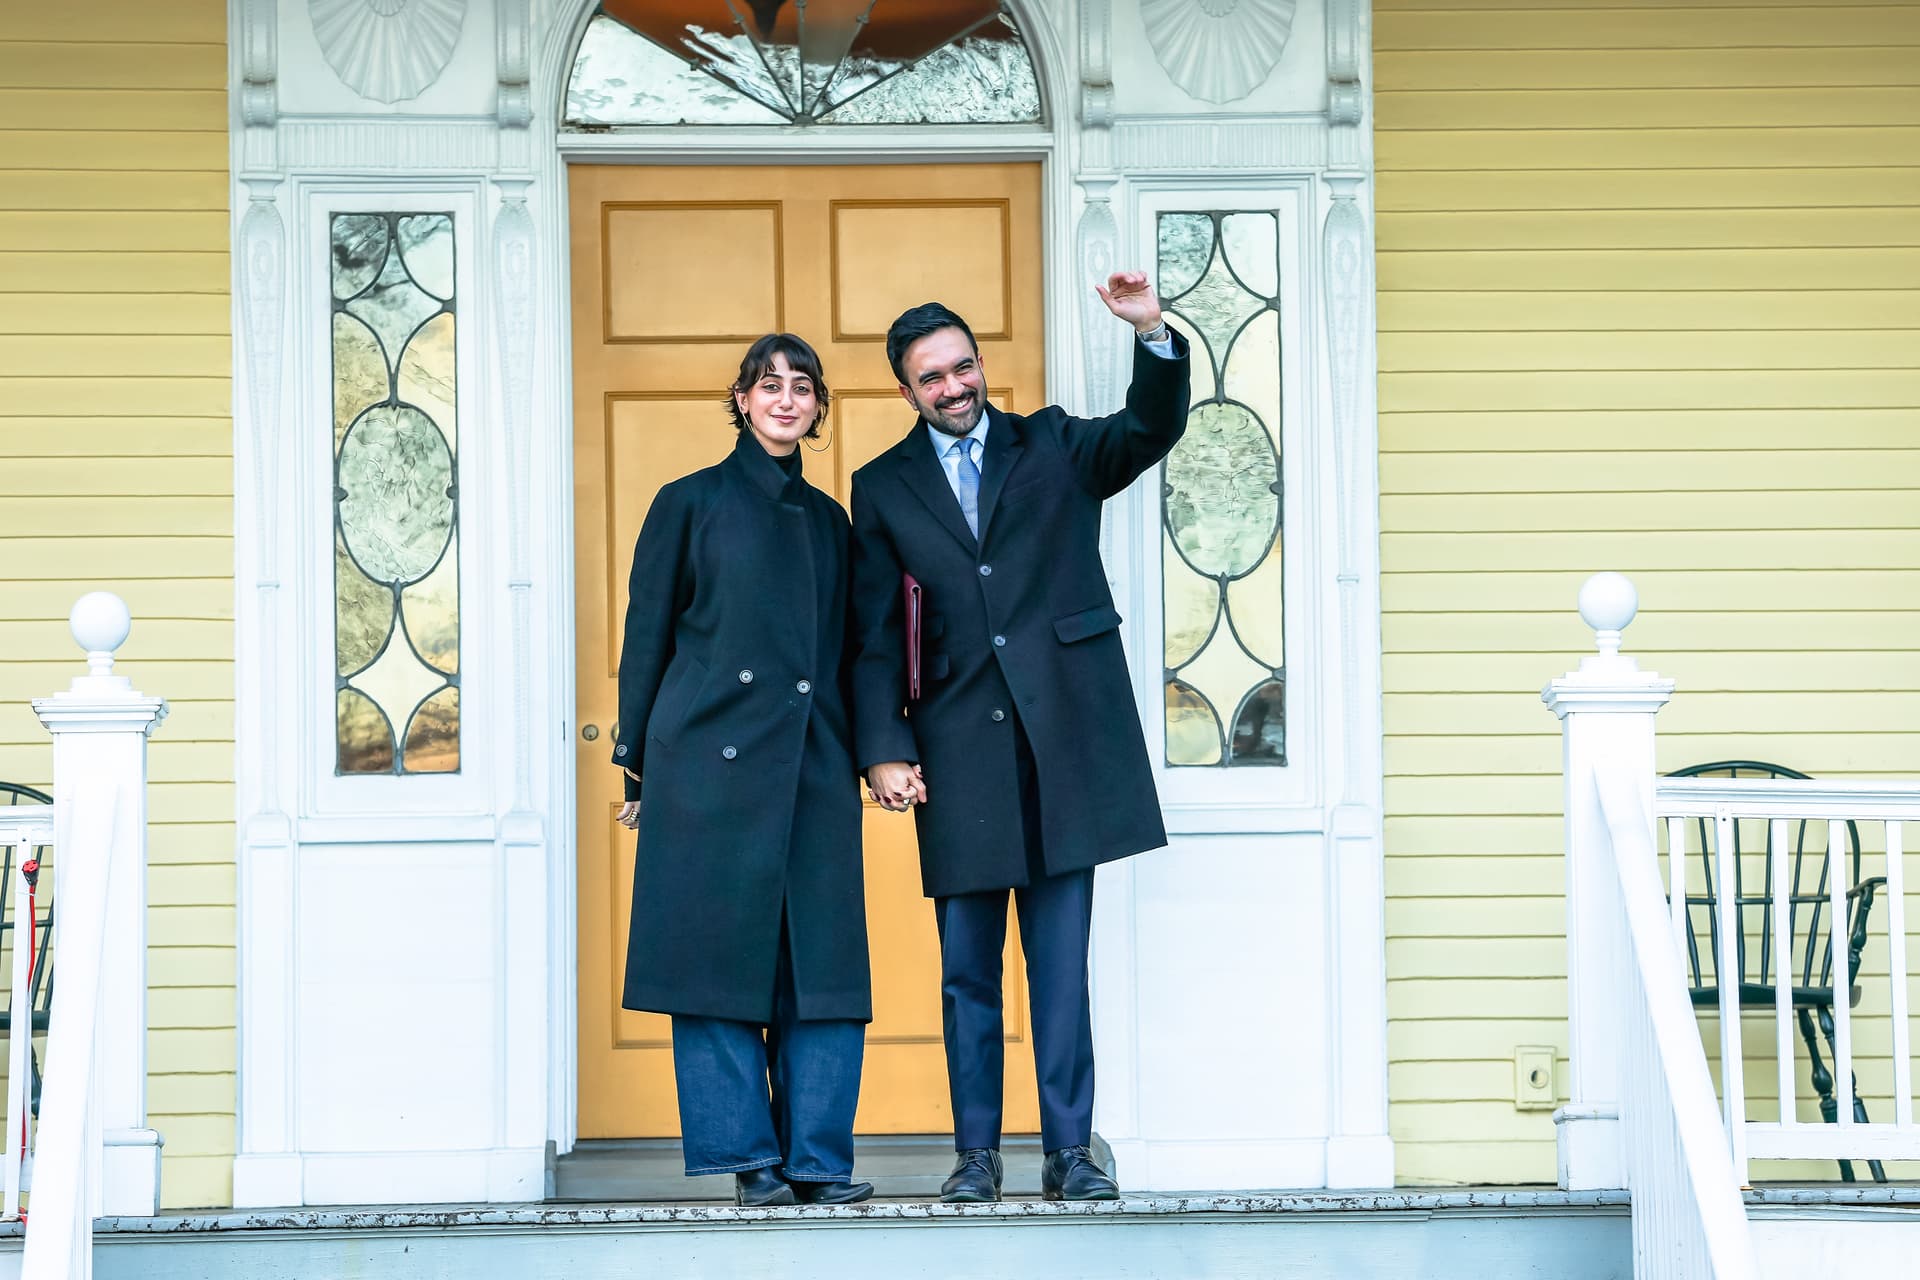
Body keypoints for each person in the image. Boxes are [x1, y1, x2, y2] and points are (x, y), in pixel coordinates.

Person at [849, 272, 1190, 1202]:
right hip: (955, 753)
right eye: (932, 378)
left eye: (964, 367)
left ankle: (1072, 1152)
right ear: (907, 389)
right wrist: (883, 746)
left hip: (1064, 741)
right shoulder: (879, 487)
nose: (954, 387)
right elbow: (875, 630)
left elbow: (1149, 430)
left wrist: (1151, 332)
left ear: (980, 366)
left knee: (1059, 966)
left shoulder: (1055, 444)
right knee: (967, 974)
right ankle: (976, 1156)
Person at [610, 334, 872, 1207]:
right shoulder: (687, 503)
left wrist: (867, 754)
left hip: (812, 762)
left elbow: (849, 653)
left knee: (822, 967)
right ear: (742, 398)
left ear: (817, 406)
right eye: (770, 386)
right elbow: (645, 640)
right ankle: (749, 1161)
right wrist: (638, 767)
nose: (787, 400)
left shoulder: (832, 522)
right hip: (707, 768)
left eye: (802, 388)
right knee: (716, 967)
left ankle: (817, 1160)